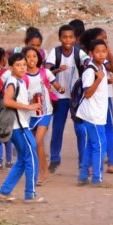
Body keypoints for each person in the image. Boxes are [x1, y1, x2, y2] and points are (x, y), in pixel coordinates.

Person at [0, 53, 45, 204]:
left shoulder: (20, 82)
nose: (22, 67)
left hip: (20, 125)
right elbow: (7, 102)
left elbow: (16, 102)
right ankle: (30, 194)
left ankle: (4, 192)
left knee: (23, 159)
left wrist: (30, 103)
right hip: (18, 127)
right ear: (11, 67)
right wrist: (29, 106)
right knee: (31, 157)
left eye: (23, 64)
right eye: (18, 65)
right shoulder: (12, 82)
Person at [45, 24, 89, 172]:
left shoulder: (79, 53)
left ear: (75, 38)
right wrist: (56, 69)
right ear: (60, 38)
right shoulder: (55, 52)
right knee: (57, 128)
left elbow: (88, 62)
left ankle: (83, 161)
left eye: (70, 37)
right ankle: (55, 158)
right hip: (60, 96)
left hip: (76, 96)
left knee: (80, 129)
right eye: (64, 37)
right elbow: (47, 69)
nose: (67, 40)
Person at [76, 39, 113, 188]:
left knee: (91, 145)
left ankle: (83, 175)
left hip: (98, 112)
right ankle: (97, 178)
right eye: (98, 52)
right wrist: (99, 80)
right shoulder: (90, 71)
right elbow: (87, 93)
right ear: (91, 53)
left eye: (104, 51)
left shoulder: (102, 68)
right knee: (100, 144)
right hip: (92, 114)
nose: (101, 54)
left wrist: (107, 81)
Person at [22, 46, 63, 184]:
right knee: (38, 145)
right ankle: (44, 172)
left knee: (36, 142)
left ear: (39, 58)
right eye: (28, 56)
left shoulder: (45, 72)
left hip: (45, 112)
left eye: (34, 56)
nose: (31, 59)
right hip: (29, 114)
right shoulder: (22, 77)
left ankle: (39, 172)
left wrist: (60, 89)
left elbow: (56, 85)